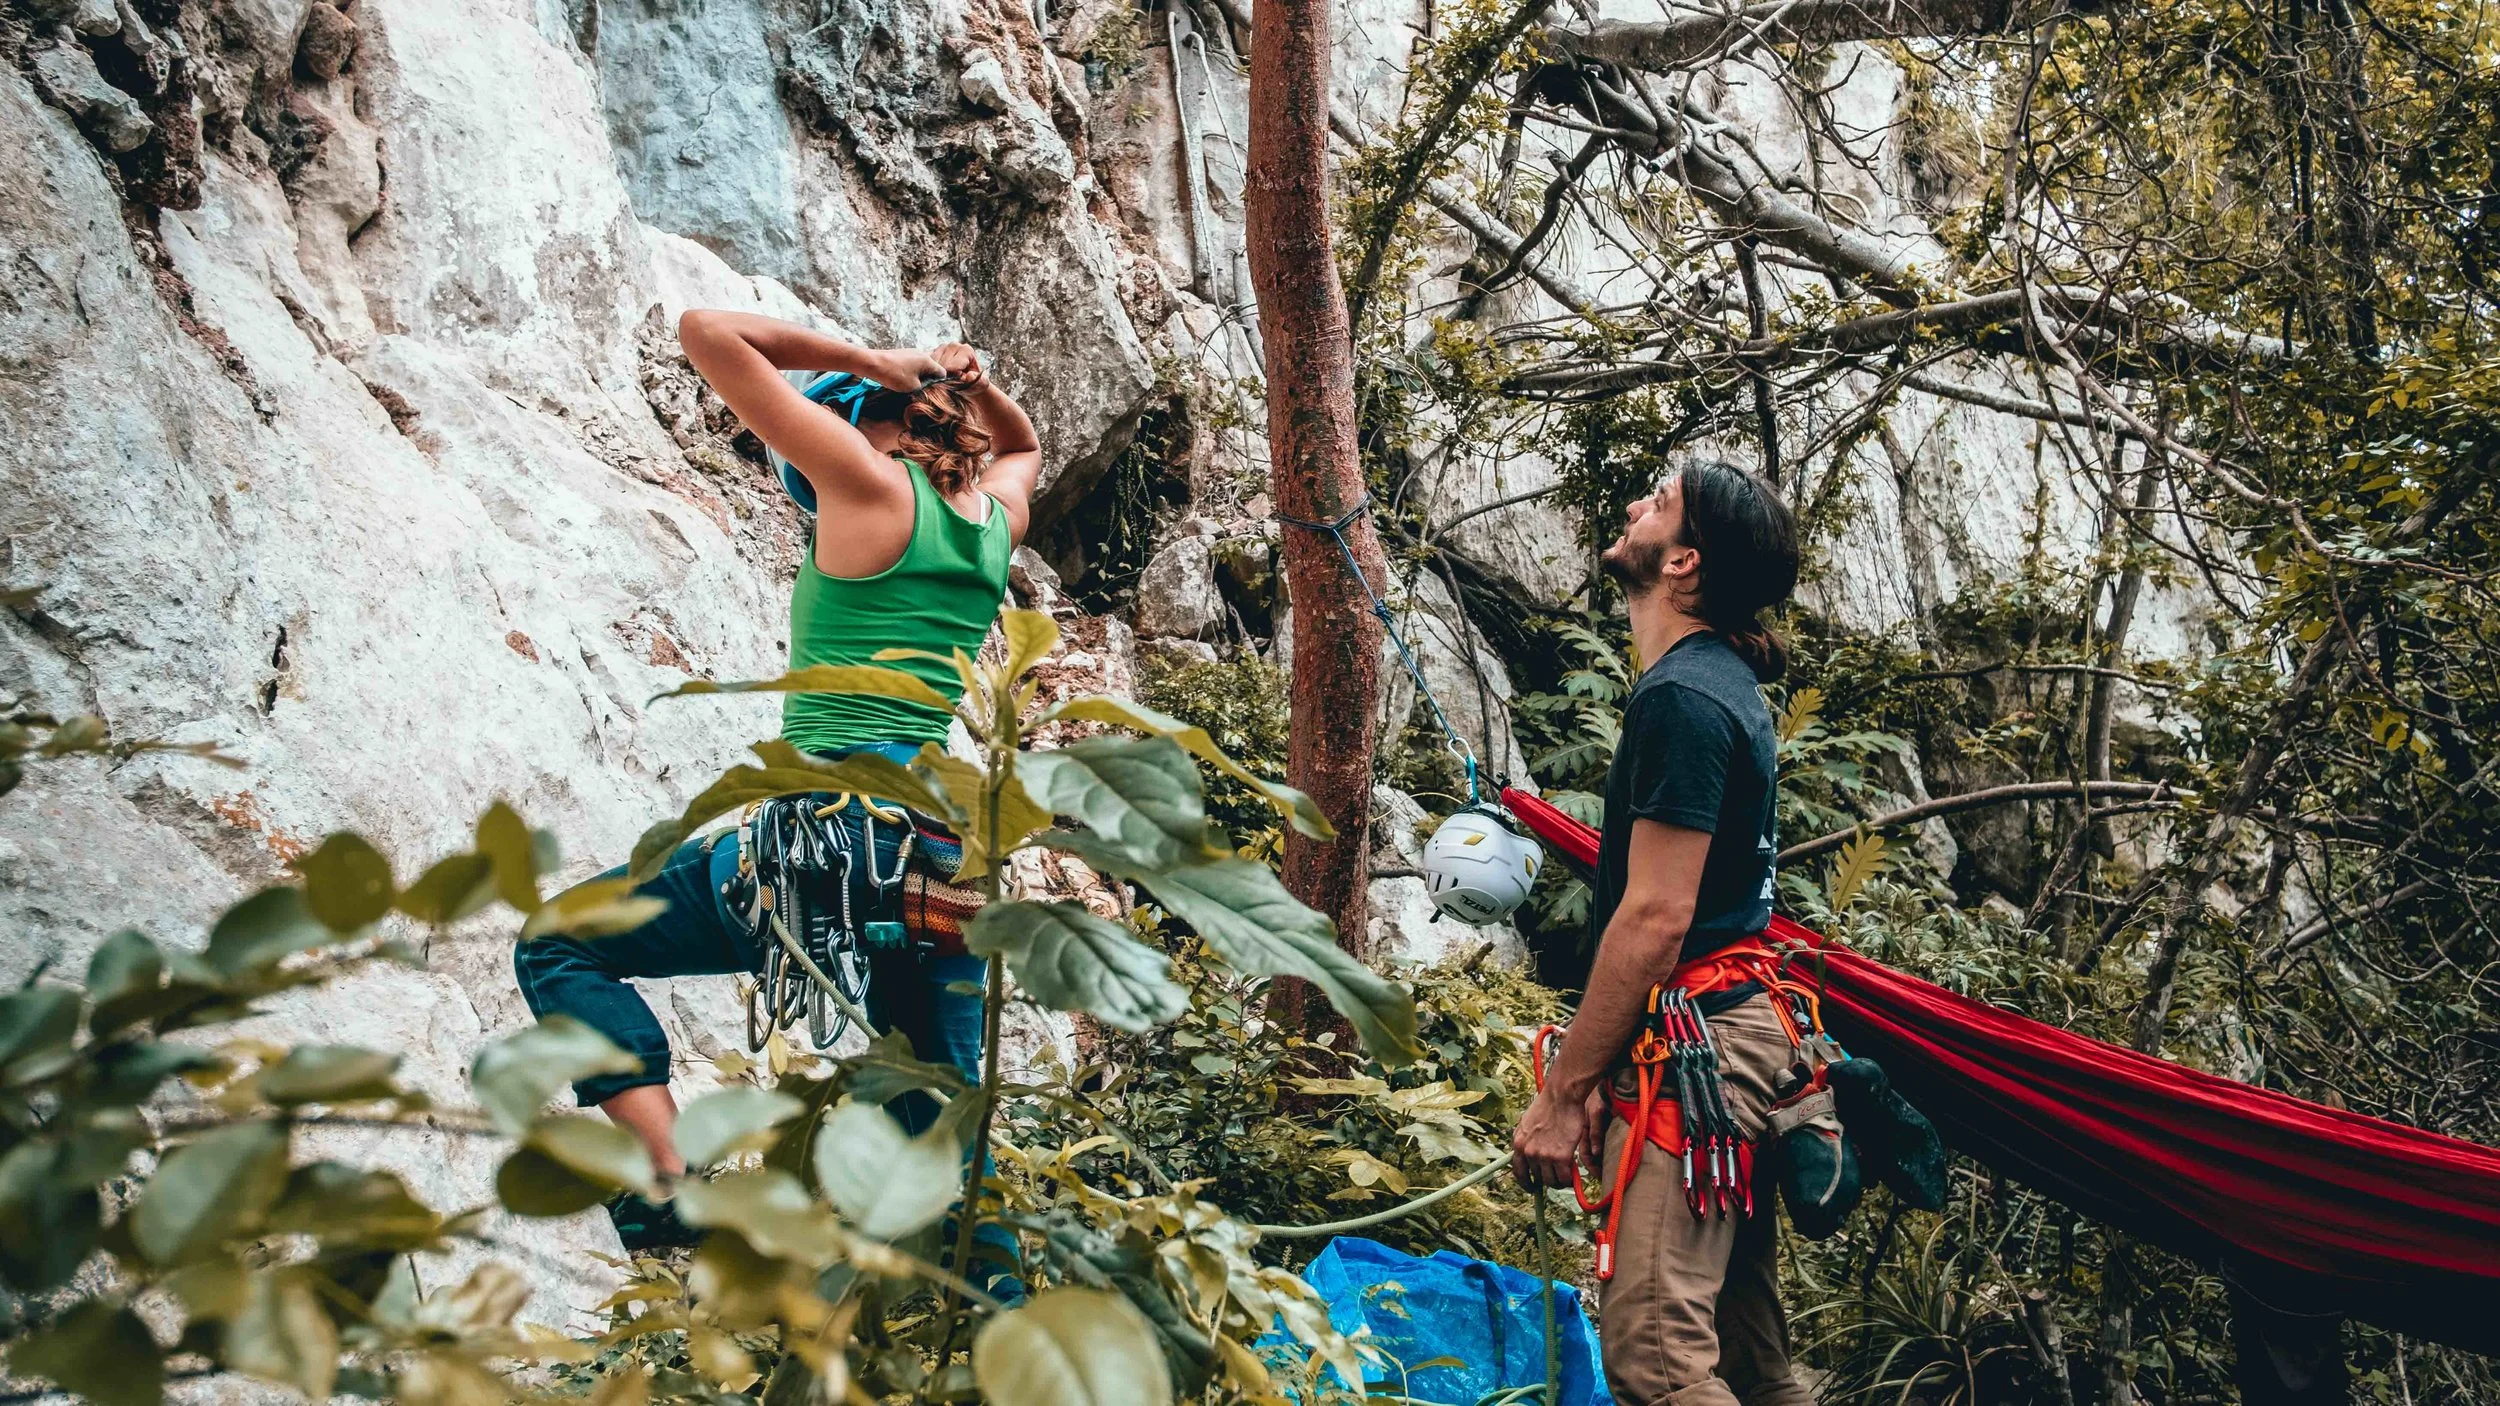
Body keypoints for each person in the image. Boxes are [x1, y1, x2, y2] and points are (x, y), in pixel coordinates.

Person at [512, 311, 1042, 1262]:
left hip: (831, 840)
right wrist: (971, 378)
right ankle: (987, 1328)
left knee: (560, 946)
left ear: (863, 427)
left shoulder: (865, 485)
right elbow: (1024, 444)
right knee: (949, 1126)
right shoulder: (996, 526)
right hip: (945, 858)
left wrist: (866, 360)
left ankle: (667, 1184)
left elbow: (707, 332)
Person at [1509, 461, 1810, 1406]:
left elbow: (1655, 915)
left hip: (1703, 1054)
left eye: (1661, 502)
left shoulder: (1684, 698)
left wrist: (1565, 1094)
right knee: (1750, 1359)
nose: (1636, 502)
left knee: (1656, 1358)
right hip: (1738, 1037)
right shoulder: (1713, 688)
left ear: (1682, 562)